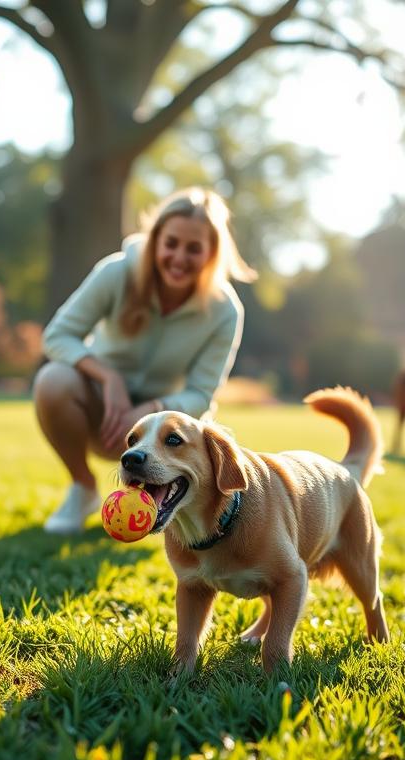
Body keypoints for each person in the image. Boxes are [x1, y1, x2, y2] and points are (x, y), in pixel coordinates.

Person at [33, 187, 258, 534]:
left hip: (167, 433)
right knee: (52, 381)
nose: (179, 257)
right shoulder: (116, 273)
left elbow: (201, 394)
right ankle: (83, 488)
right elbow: (56, 336)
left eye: (194, 248)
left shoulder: (225, 310)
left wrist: (153, 409)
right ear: (156, 241)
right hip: (100, 412)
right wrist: (108, 378)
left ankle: (165, 503)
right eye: (171, 243)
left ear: (212, 254)